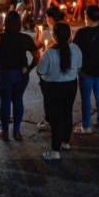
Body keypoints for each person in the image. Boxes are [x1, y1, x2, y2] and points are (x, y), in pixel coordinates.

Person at [37, 22, 82, 161]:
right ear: (69, 35)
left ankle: (55, 151)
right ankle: (65, 142)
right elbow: (79, 68)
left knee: (55, 118)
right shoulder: (75, 49)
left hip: (53, 87)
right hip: (70, 85)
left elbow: (41, 71)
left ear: (54, 36)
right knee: (67, 112)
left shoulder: (49, 52)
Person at [0, 11, 39, 141]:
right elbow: (37, 56)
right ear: (19, 24)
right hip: (21, 74)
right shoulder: (26, 38)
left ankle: (5, 131)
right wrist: (29, 68)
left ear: (6, 23)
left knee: (5, 101)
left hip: (4, 74)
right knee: (18, 100)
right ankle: (17, 131)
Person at [73, 5, 99, 133]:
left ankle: (86, 126)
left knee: (86, 98)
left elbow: (75, 50)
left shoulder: (81, 33)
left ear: (87, 17)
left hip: (87, 70)